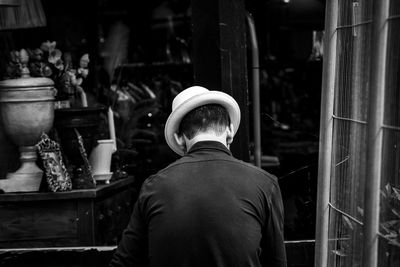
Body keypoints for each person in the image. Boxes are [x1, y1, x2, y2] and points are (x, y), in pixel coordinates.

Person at [109, 86, 287, 267]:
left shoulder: (153, 187)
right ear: (230, 131)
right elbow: (277, 263)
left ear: (179, 138)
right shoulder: (265, 184)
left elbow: (123, 263)